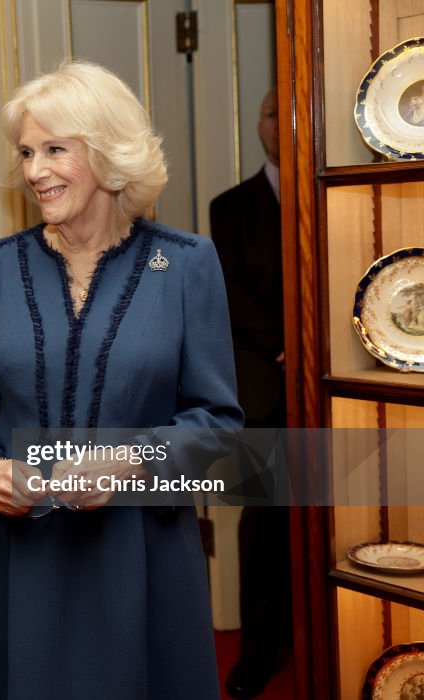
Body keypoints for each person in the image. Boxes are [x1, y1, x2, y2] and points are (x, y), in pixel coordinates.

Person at [0, 60, 243, 700]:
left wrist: (130, 462)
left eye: (56, 149)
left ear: (110, 154)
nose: (33, 171)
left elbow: (218, 423)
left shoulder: (187, 265)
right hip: (17, 561)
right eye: (27, 152)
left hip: (141, 559)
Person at [210, 86, 291, 700]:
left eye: (291, 111)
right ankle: (260, 650)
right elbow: (232, 296)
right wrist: (290, 348)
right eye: (270, 112)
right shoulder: (230, 206)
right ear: (258, 126)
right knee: (262, 524)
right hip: (265, 387)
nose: (280, 123)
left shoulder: (336, 192)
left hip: (337, 387)